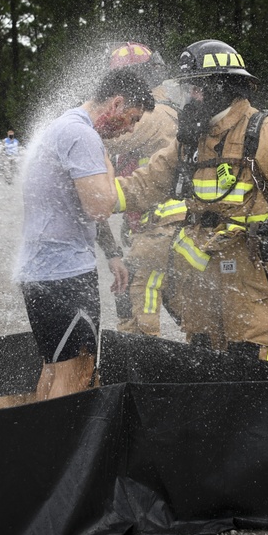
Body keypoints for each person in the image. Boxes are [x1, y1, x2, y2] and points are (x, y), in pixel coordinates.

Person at [115, 39, 268, 363]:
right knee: (204, 362)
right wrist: (93, 196)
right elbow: (143, 185)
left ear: (222, 85)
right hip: (201, 279)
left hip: (252, 273)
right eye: (187, 90)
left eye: (195, 88)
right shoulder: (192, 139)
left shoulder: (263, 129)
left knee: (252, 367)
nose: (189, 98)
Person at [16, 67, 155, 400]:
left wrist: (112, 253)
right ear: (117, 104)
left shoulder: (64, 126)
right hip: (65, 275)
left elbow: (80, 206)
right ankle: (63, 448)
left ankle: (44, 444)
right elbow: (99, 206)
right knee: (77, 371)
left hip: (43, 272)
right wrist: (108, 161)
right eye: (133, 119)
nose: (130, 130)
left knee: (53, 370)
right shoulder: (83, 135)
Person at [101, 42, 184, 337]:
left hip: (160, 225)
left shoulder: (156, 113)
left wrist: (84, 122)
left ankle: (147, 361)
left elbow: (113, 138)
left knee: (140, 298)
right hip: (146, 225)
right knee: (131, 296)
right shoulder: (154, 108)